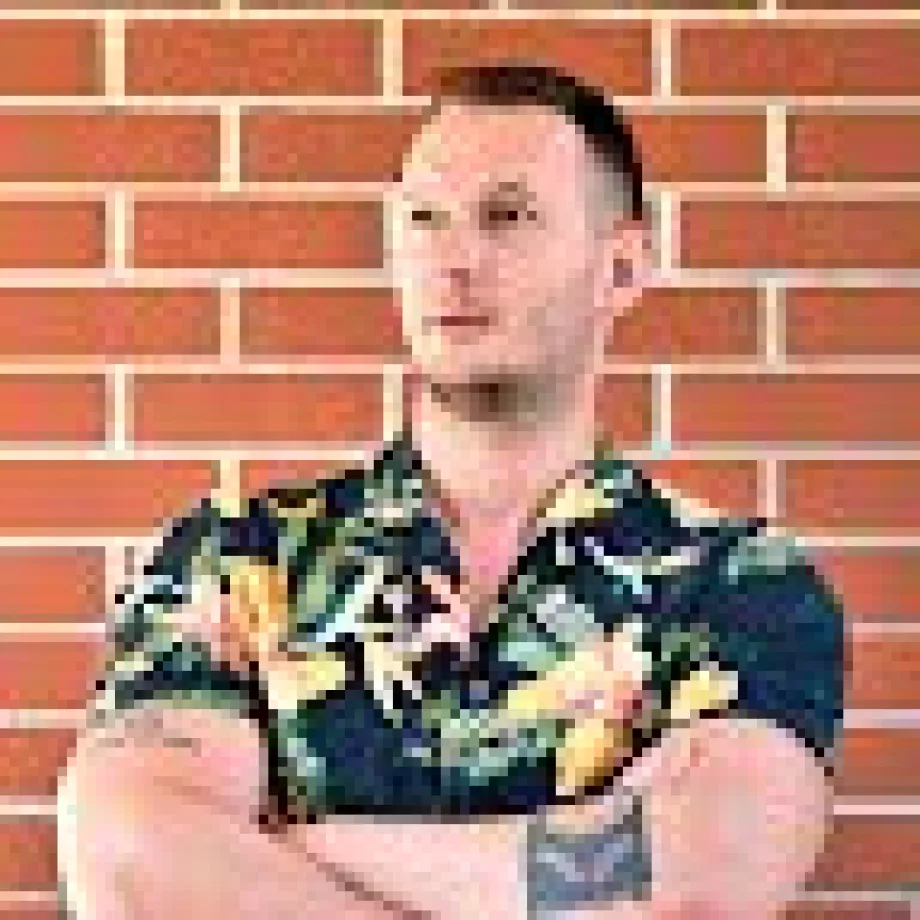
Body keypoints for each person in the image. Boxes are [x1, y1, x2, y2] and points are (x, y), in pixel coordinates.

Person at [57, 62, 844, 920]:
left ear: (621, 268)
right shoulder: (236, 561)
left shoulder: (738, 584)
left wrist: (295, 846)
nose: (453, 259)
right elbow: (131, 861)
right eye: (423, 219)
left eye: (507, 217)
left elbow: (710, 875)